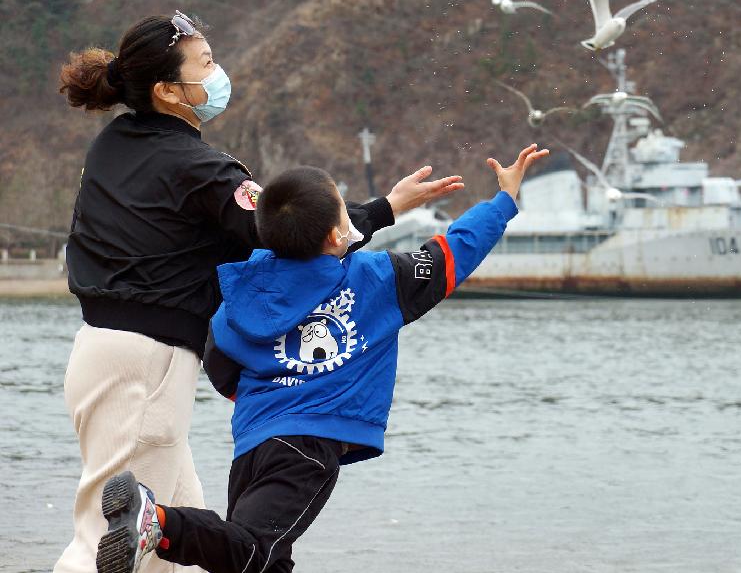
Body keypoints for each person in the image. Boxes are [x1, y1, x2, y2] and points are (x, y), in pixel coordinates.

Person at [55, 10, 464, 573]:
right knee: (107, 543)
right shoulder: (203, 170)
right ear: (168, 90)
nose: (218, 72)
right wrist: (384, 210)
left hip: (100, 352)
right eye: (207, 64)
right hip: (145, 363)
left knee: (177, 539)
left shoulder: (112, 146)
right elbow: (296, 236)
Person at [94, 143, 548, 573]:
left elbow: (220, 366)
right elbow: (454, 252)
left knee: (267, 560)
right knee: (252, 551)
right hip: (307, 449)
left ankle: (157, 522)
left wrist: (271, 397)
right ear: (338, 233)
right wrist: (503, 200)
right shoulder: (378, 280)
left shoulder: (239, 296)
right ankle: (157, 522)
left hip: (253, 445)